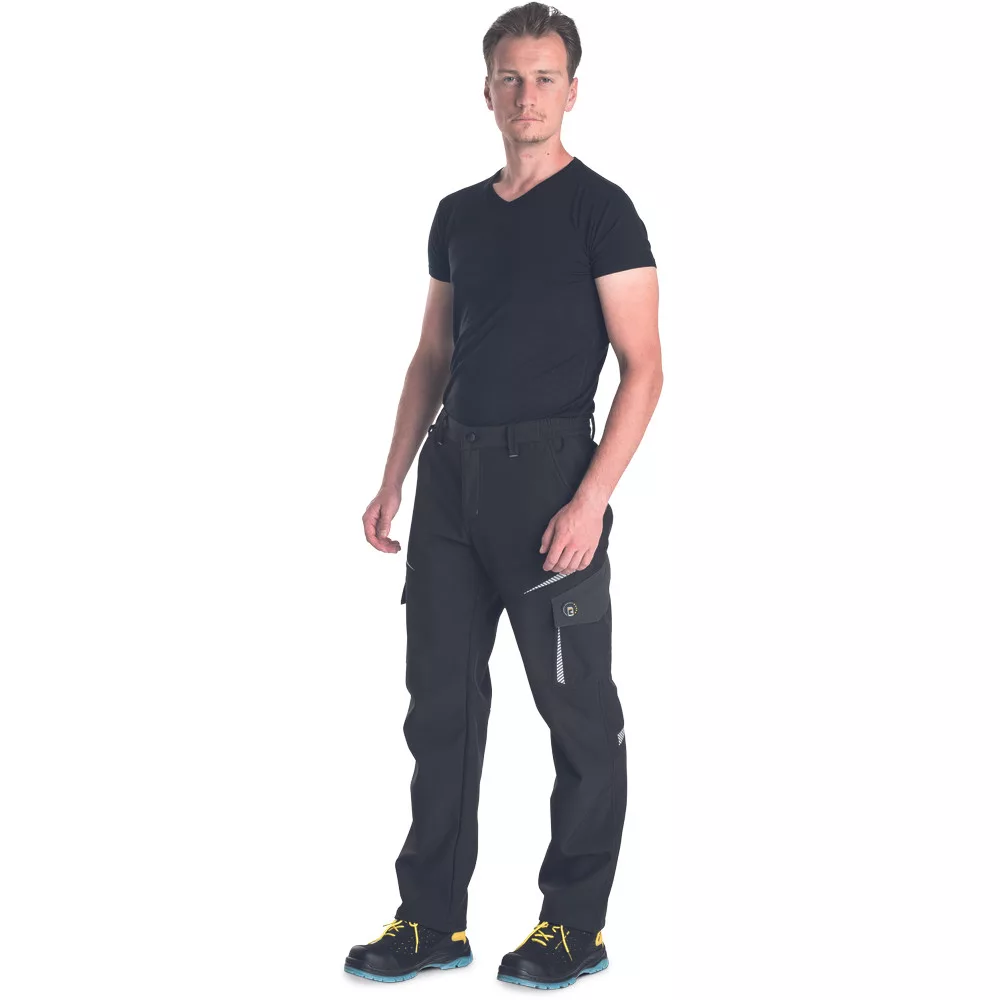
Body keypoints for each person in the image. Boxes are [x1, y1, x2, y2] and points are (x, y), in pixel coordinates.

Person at [346, 3, 661, 989]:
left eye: (545, 78)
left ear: (573, 90)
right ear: (485, 91)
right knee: (439, 707)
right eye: (511, 78)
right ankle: (431, 920)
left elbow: (645, 369)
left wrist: (589, 500)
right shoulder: (458, 215)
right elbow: (433, 354)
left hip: (549, 481)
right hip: (452, 481)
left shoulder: (601, 210)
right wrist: (395, 477)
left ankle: (574, 926)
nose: (527, 95)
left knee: (576, 713)